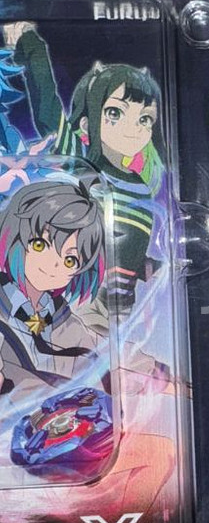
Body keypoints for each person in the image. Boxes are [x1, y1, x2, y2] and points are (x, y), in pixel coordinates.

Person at [3, 22, 164, 316]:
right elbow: (48, 107)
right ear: (88, 124)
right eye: (115, 113)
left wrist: (153, 267)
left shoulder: (141, 185)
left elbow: (129, 245)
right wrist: (30, 44)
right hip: (75, 298)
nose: (134, 128)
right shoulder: (82, 160)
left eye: (145, 119)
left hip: (119, 309)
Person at [0, 179, 104, 398]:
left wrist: (160, 374)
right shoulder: (6, 310)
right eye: (40, 245)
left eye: (70, 260)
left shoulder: (59, 317)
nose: (53, 265)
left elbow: (108, 350)